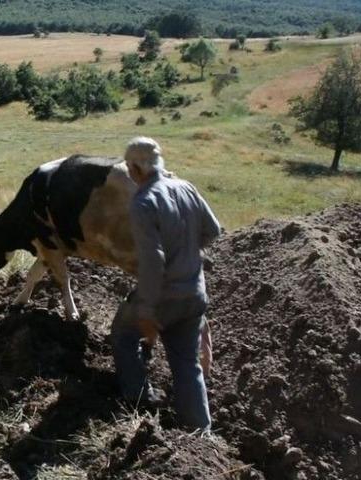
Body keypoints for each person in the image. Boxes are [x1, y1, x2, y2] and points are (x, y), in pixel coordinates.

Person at [111, 137, 221, 432]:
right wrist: (186, 250)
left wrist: (147, 310)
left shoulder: (143, 202)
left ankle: (140, 404)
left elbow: (153, 261)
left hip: (164, 297)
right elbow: (213, 230)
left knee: (122, 334)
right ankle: (201, 434)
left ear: (135, 168)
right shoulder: (186, 188)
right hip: (195, 294)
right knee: (187, 364)